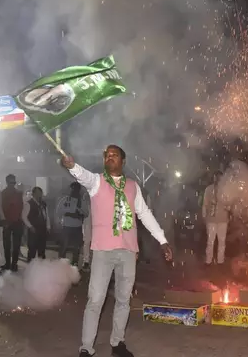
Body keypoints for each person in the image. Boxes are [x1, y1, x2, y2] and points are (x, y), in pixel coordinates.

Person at [61, 144, 173, 357]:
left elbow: (145, 214)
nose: (109, 158)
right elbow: (82, 176)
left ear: (123, 160)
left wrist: (163, 241)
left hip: (128, 251)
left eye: (114, 155)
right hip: (103, 251)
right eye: (107, 155)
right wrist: (72, 166)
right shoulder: (97, 182)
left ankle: (117, 342)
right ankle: (86, 347)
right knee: (95, 300)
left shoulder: (133, 186)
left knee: (123, 299)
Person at [56, 182, 88, 266]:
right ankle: (61, 264)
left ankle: (75, 264)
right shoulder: (65, 199)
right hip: (66, 226)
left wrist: (79, 214)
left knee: (76, 247)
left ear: (79, 190)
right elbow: (58, 211)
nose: (74, 191)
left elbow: (86, 213)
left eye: (76, 189)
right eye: (72, 189)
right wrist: (67, 215)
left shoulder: (81, 201)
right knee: (64, 246)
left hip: (77, 227)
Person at [202, 171, 229, 265]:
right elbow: (205, 204)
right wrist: (204, 216)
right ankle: (208, 261)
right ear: (213, 178)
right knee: (210, 241)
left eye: (219, 177)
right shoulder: (208, 189)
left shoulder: (226, 190)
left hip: (223, 220)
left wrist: (227, 206)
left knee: (222, 242)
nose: (217, 179)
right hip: (211, 220)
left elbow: (229, 204)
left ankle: (220, 261)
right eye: (215, 177)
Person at [0, 174, 24, 272]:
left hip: (17, 221)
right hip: (7, 222)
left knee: (16, 245)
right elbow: (0, 207)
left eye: (13, 182)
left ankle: (14, 264)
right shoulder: (3, 193)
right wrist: (3, 220)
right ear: (7, 182)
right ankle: (8, 264)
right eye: (10, 182)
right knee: (7, 245)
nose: (12, 184)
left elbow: (22, 206)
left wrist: (22, 219)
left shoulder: (19, 193)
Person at [22, 186, 51, 261]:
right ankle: (31, 268)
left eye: (40, 193)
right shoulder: (29, 204)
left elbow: (46, 216)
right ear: (33, 194)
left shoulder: (43, 204)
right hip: (33, 229)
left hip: (42, 229)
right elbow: (24, 217)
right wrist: (30, 226)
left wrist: (48, 227)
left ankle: (41, 268)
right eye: (38, 193)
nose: (40, 195)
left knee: (42, 250)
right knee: (32, 250)